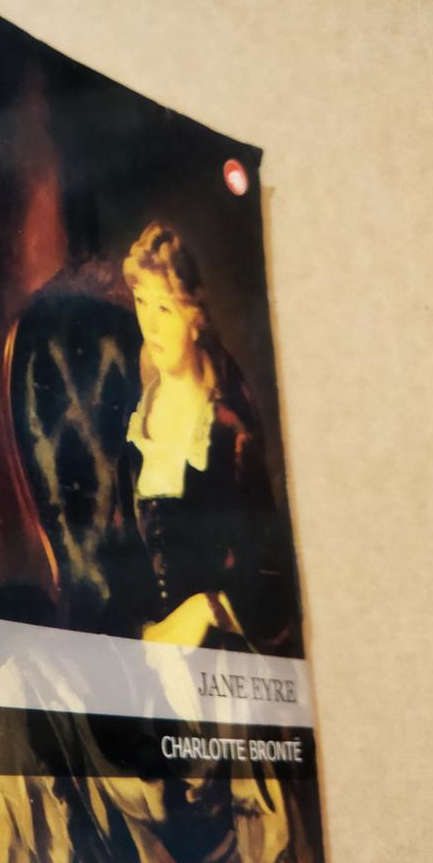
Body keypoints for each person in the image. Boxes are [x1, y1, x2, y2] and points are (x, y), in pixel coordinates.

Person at [118, 221, 300, 656]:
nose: (150, 325)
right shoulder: (137, 415)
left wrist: (206, 609)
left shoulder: (224, 429)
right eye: (141, 302)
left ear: (193, 316)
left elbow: (273, 585)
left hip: (221, 660)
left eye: (164, 309)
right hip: (151, 656)